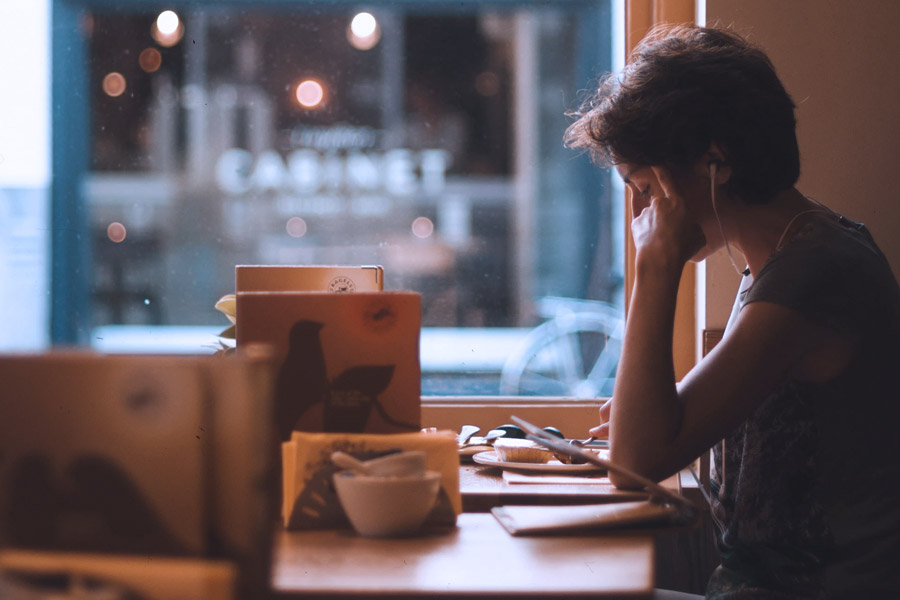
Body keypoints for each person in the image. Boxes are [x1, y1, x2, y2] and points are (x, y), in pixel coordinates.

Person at [564, 24, 900, 598]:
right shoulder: (787, 257)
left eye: (643, 187)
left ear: (715, 162)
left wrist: (656, 268)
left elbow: (634, 463)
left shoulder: (812, 273)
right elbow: (654, 432)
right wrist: (642, 412)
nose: (641, 215)